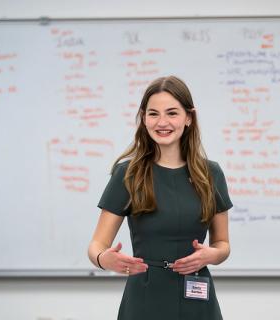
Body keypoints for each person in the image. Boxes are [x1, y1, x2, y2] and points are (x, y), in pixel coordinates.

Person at [88, 75, 233, 320]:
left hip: (197, 298)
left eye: (172, 113)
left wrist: (213, 255)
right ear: (144, 118)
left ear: (189, 117)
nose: (162, 122)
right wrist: (104, 259)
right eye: (153, 113)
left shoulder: (212, 174)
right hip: (144, 299)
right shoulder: (128, 173)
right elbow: (96, 246)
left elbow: (223, 245)